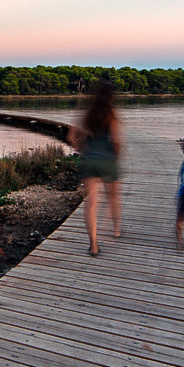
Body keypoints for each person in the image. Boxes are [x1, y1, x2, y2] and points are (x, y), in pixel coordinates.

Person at [67, 82, 123, 257]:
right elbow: (117, 142)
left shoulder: (87, 113)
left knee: (91, 203)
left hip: (90, 161)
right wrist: (115, 159)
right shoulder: (111, 115)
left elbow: (71, 136)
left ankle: (93, 245)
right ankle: (116, 229)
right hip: (107, 161)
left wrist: (82, 149)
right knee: (113, 197)